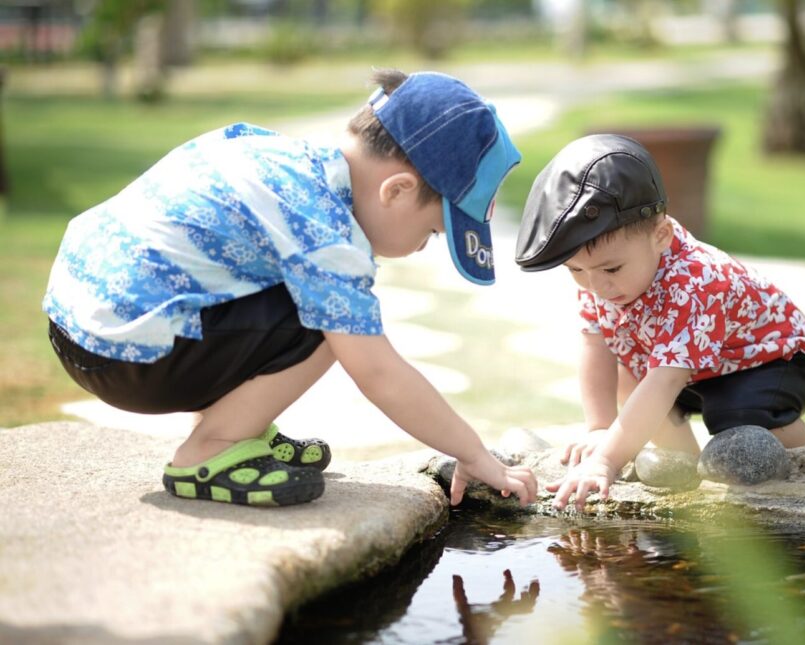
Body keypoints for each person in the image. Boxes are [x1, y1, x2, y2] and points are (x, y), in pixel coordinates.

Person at [43, 69, 537, 508]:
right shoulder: (325, 231)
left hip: (80, 323)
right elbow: (379, 374)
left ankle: (242, 429)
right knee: (334, 323)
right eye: (432, 233)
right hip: (126, 355)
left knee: (311, 298)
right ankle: (210, 450)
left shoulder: (281, 157)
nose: (421, 247)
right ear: (398, 191)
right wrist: (472, 453)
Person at [514, 134, 805, 511]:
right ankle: (685, 473)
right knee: (630, 375)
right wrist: (600, 428)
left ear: (660, 236)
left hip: (773, 360)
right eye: (575, 270)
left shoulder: (696, 281)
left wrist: (606, 460)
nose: (596, 285)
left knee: (736, 416)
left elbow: (666, 380)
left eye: (611, 268)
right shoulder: (601, 277)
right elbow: (595, 345)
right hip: (698, 367)